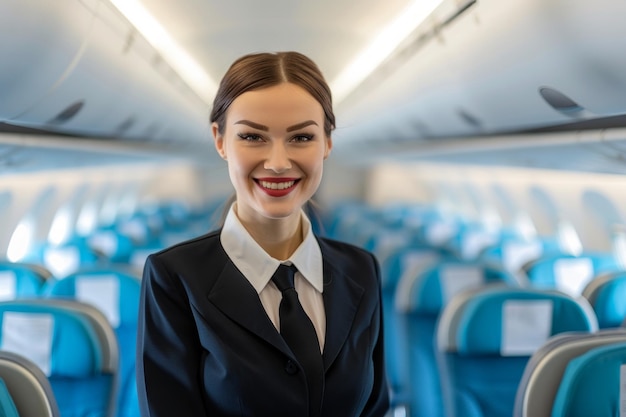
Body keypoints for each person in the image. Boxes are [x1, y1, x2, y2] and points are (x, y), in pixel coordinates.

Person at [136, 51, 390, 417]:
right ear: (220, 141)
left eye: (301, 137)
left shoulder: (362, 269)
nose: (278, 163)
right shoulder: (174, 278)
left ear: (328, 143)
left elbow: (375, 408)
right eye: (253, 136)